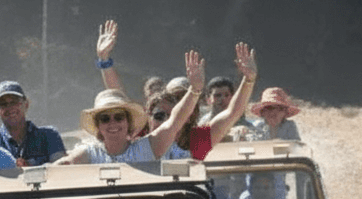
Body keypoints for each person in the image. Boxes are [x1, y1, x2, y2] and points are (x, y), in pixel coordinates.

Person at [96, 20, 256, 159]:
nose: (167, 121)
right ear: (149, 118)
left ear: (184, 116)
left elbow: (232, 113)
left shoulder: (196, 141)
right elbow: (118, 97)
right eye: (159, 116)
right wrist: (104, 60)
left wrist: (249, 79)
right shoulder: (141, 137)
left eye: (174, 114)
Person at [56, 50, 205, 165]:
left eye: (119, 117)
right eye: (105, 119)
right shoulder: (89, 153)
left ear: (128, 122)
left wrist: (194, 90)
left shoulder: (148, 148)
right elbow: (61, 166)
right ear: (98, 126)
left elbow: (175, 120)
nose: (113, 123)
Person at [0, 42, 67, 165]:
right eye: (3, 104)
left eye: (14, 102)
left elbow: (62, 170)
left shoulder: (49, 136)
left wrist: (30, 168)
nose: (10, 107)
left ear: (26, 105)